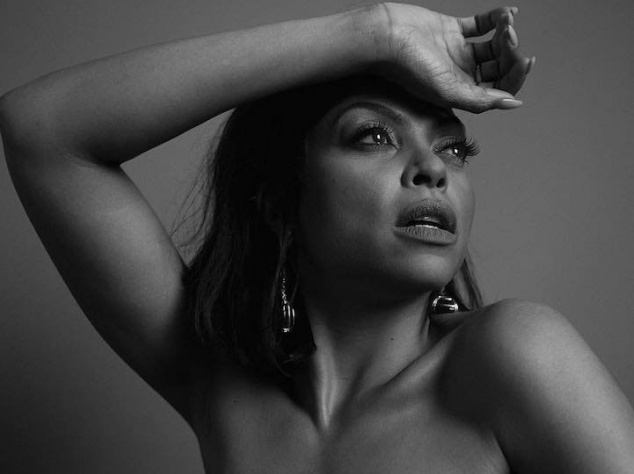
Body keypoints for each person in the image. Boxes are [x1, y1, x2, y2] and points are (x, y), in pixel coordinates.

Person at [1, 3, 633, 472]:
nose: (433, 169)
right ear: (280, 199)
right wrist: (375, 32)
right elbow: (40, 128)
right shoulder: (224, 388)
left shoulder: (512, 355)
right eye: (374, 136)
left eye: (453, 148)